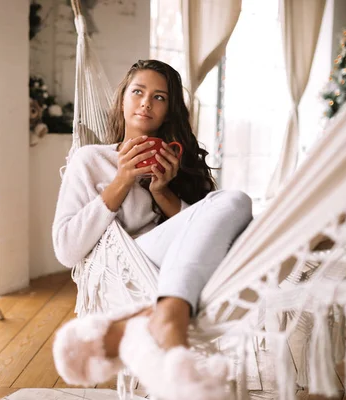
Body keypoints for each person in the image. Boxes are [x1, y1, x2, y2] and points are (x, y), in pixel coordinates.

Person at [51, 60, 252, 400]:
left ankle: (153, 316)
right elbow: (66, 249)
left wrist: (163, 192)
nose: (146, 102)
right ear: (123, 101)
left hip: (176, 267)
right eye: (138, 92)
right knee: (234, 201)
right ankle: (168, 318)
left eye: (159, 97)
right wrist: (122, 180)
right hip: (121, 265)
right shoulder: (89, 160)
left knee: (235, 202)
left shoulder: (179, 165)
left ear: (168, 111)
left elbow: (205, 231)